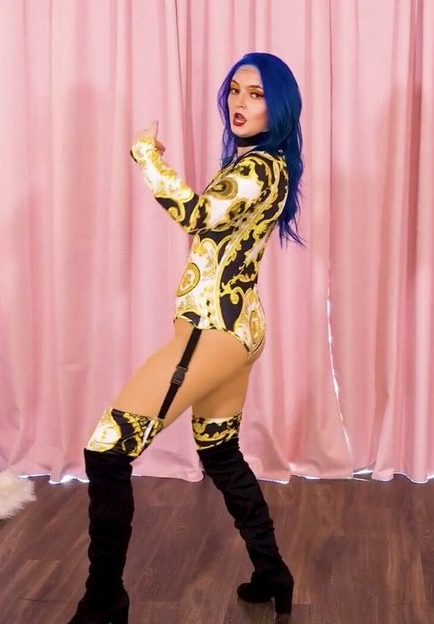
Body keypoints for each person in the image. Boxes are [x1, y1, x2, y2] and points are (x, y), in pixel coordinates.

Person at [67, 51, 305, 624]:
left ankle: (104, 601)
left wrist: (147, 157)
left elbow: (196, 216)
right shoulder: (266, 165)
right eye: (235, 91)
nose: (240, 103)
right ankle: (272, 572)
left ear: (279, 107)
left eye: (256, 94)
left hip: (212, 331)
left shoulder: (258, 168)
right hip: (239, 329)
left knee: (106, 449)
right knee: (219, 451)